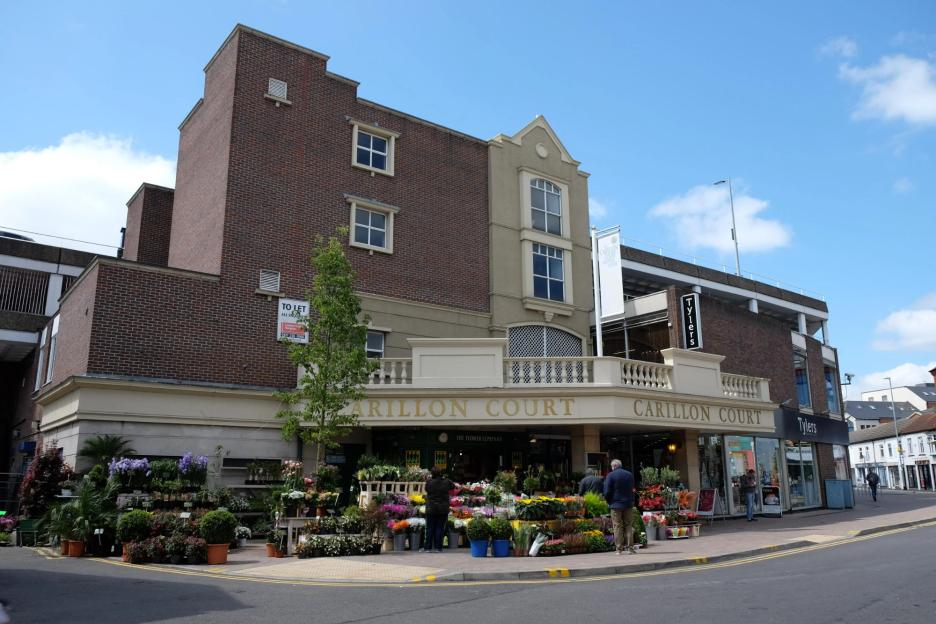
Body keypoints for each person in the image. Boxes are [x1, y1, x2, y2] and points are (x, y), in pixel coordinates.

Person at [603, 459, 636, 554]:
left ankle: (619, 549)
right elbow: (632, 488)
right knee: (628, 525)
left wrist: (609, 501)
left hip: (615, 504)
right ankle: (630, 548)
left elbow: (607, 491)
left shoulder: (610, 475)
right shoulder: (629, 474)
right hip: (628, 504)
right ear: (620, 465)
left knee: (617, 526)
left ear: (613, 466)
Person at [423, 468, 454, 552]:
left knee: (429, 528)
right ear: (441, 473)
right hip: (443, 508)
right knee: (440, 528)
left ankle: (428, 548)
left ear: (432, 474)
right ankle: (438, 547)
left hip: (431, 507)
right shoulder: (446, 481)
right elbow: (452, 486)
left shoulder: (429, 482)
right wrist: (444, 478)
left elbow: (426, 489)